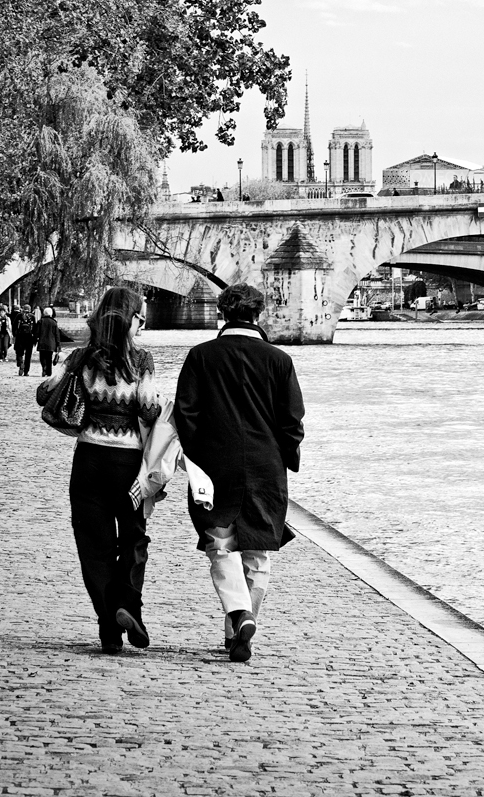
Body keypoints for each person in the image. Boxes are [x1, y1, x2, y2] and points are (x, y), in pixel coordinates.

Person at [173, 283, 304, 663]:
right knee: (258, 552)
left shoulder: (201, 356)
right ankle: (239, 630)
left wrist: (197, 457)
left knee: (221, 545)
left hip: (215, 466)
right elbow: (293, 422)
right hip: (266, 466)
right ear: (258, 315)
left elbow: (186, 414)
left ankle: (239, 615)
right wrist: (282, 456)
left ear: (222, 313)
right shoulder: (279, 360)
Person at [38, 286, 161, 654]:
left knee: (95, 547)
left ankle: (109, 628)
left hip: (89, 461)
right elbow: (149, 409)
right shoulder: (141, 360)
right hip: (128, 466)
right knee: (135, 537)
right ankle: (128, 604)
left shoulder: (79, 358)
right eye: (140, 317)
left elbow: (45, 393)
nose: (142, 324)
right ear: (130, 319)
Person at [35, 306, 73, 376]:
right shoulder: (54, 322)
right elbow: (57, 334)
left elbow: (36, 333)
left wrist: (35, 340)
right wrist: (58, 344)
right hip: (51, 343)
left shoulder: (40, 321)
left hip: (42, 342)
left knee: (42, 357)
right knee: (49, 358)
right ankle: (49, 372)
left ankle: (44, 367)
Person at [13, 305, 37, 376]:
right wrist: (35, 339)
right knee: (28, 355)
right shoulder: (32, 316)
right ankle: (26, 371)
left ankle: (20, 362)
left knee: (19, 351)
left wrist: (15, 335)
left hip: (20, 336)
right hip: (29, 337)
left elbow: (14, 325)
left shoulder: (19, 315)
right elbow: (35, 328)